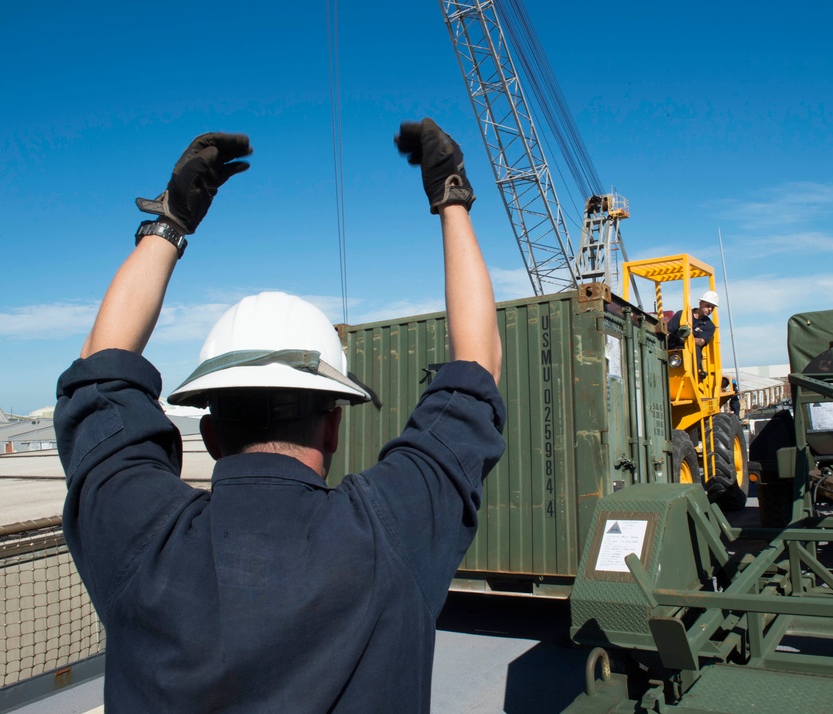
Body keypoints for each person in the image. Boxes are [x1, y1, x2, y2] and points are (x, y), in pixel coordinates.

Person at [55, 119, 505, 713]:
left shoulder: (141, 534)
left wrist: (170, 223)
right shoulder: (390, 529)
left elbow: (101, 371)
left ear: (209, 433)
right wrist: (453, 199)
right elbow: (478, 364)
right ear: (334, 426)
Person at [667, 291, 718, 375]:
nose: (710, 309)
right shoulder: (682, 315)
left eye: (712, 307)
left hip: (690, 354)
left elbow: (701, 341)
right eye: (708, 306)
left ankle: (692, 376)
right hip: (672, 348)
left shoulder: (709, 326)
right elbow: (668, 331)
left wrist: (686, 339)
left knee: (695, 349)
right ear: (700, 303)